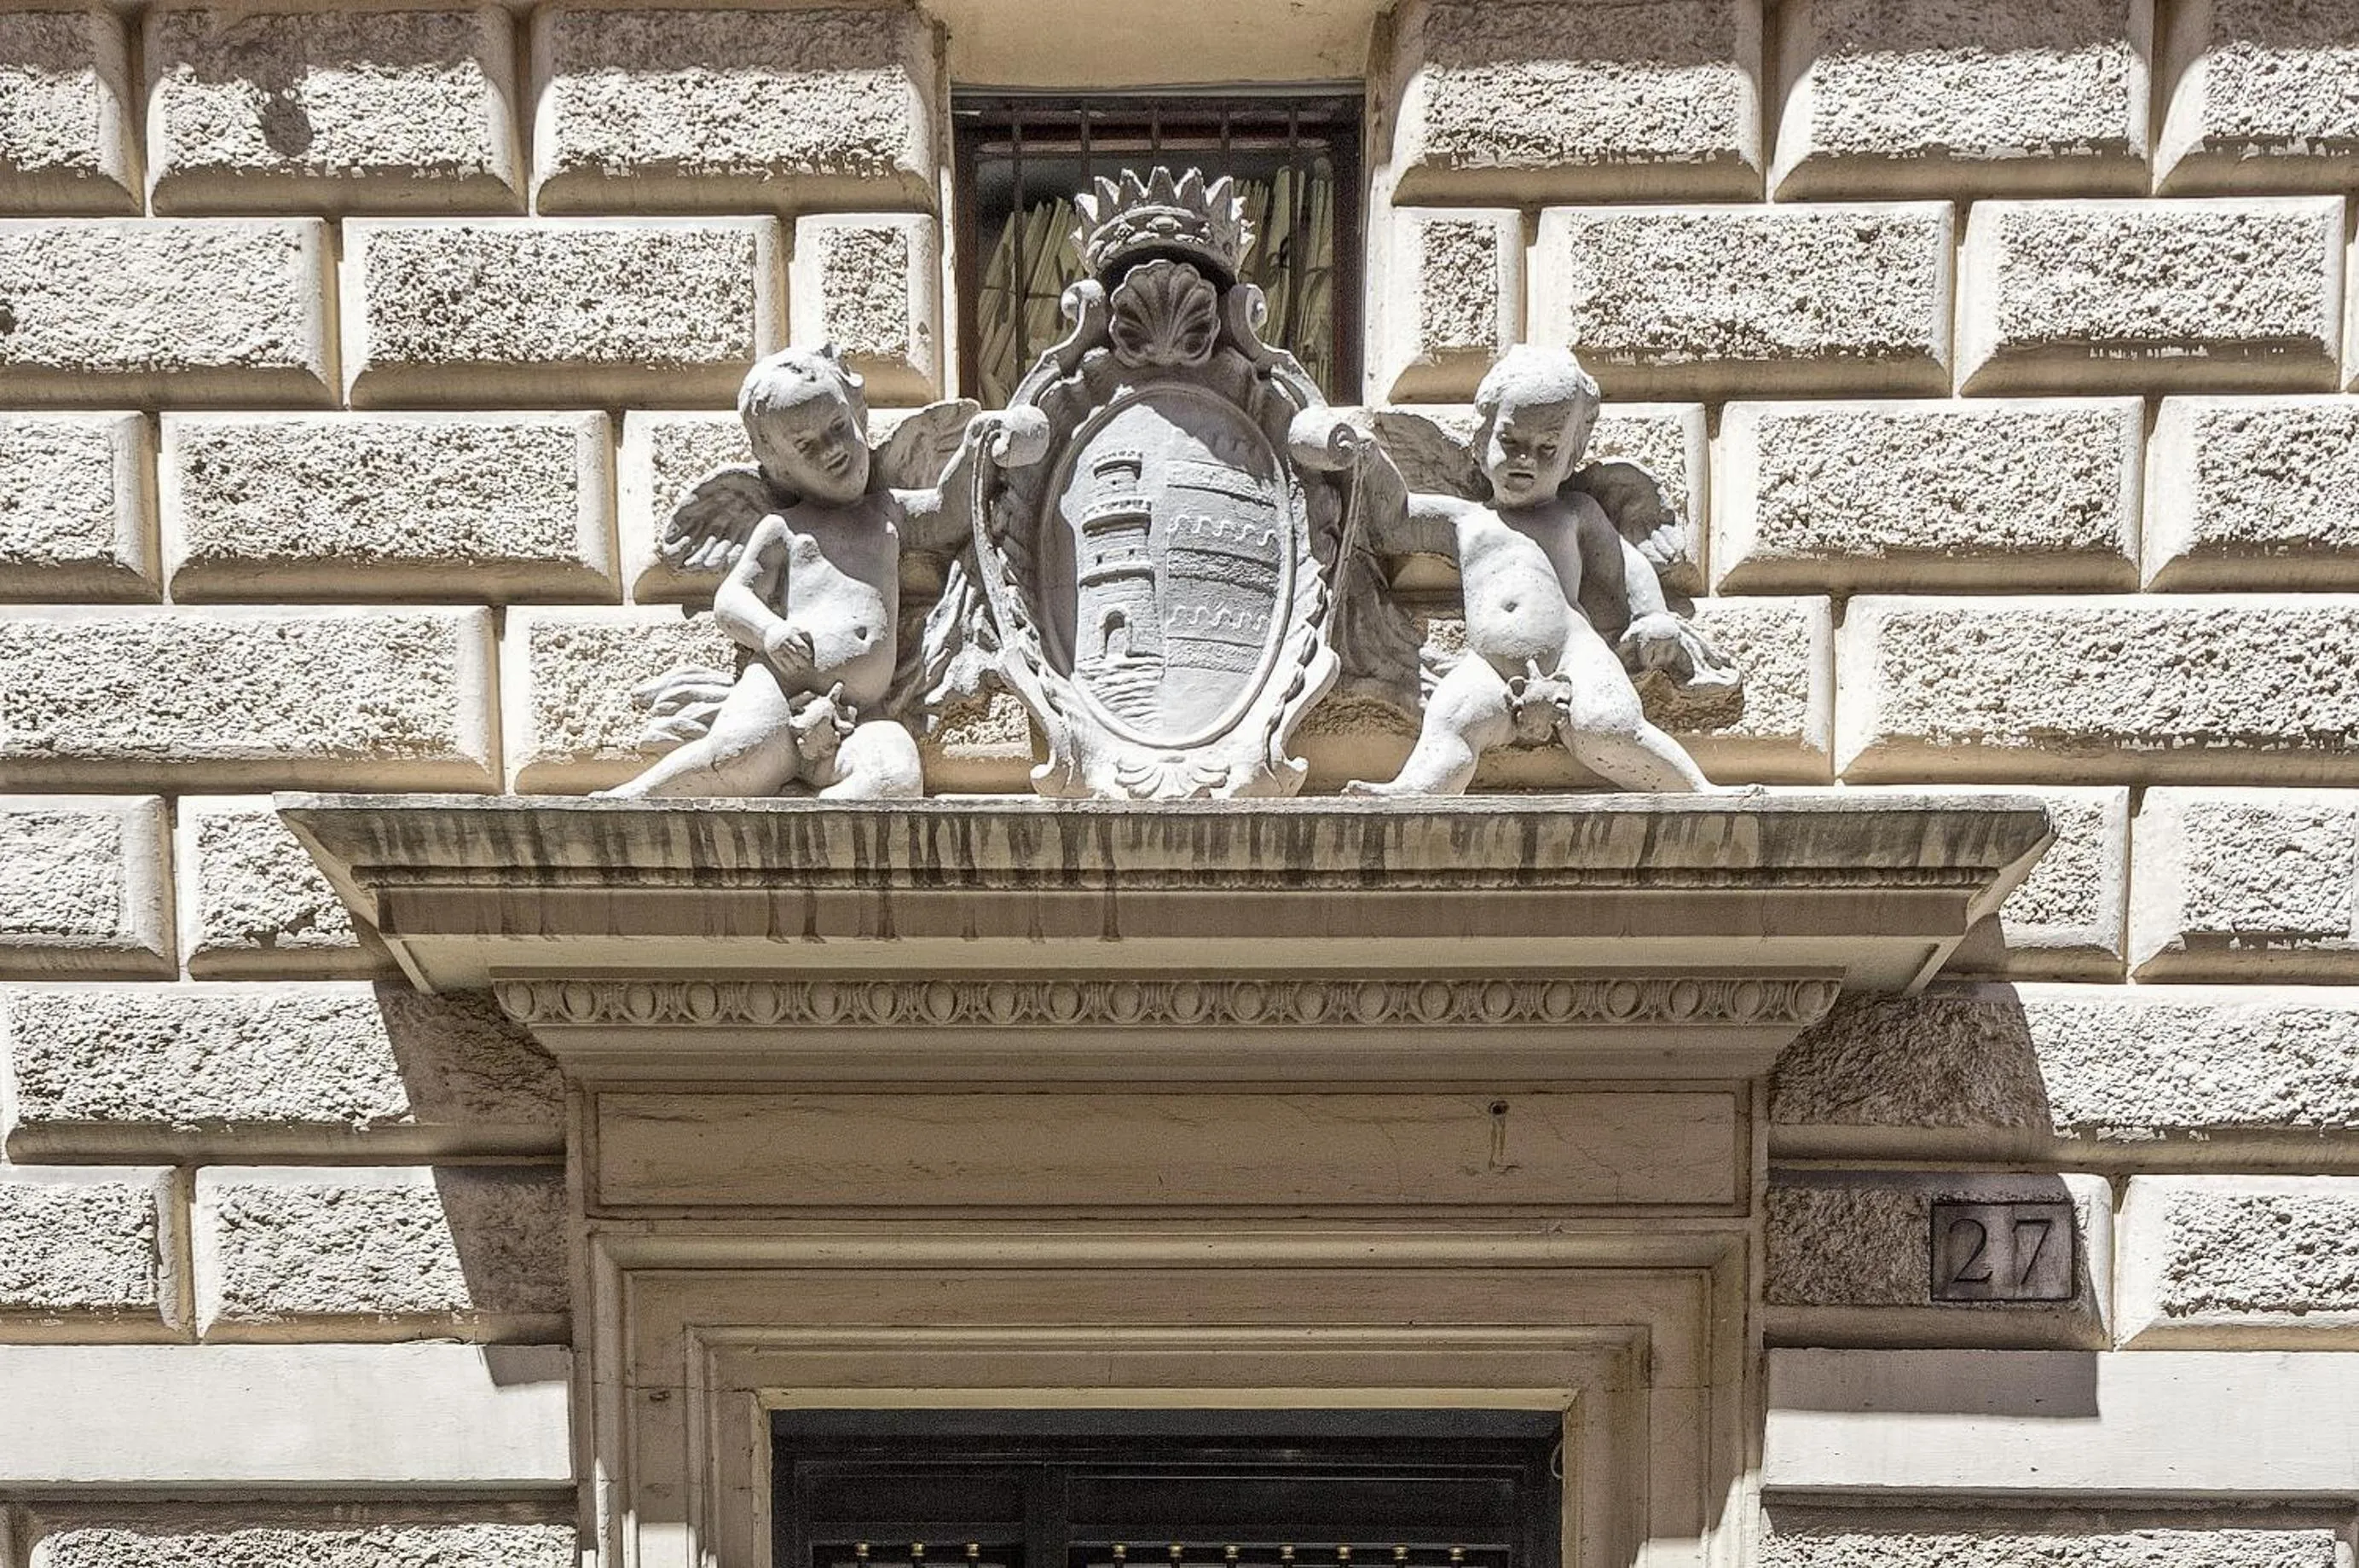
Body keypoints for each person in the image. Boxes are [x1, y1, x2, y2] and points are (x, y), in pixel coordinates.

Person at [1346, 345, 1722, 796]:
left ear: (1570, 457)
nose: (1526, 458)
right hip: (1489, 665)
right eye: (1511, 442)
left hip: (1572, 654)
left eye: (1547, 448)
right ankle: (1412, 792)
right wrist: (1364, 459)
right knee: (1452, 720)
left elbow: (1625, 565)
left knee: (1612, 726)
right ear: (1483, 438)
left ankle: (1699, 791)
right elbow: (1395, 521)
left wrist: (1653, 616)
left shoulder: (1575, 513)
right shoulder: (1465, 519)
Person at [601, 347, 923, 799]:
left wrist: (987, 445)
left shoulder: (889, 514)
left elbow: (951, 507)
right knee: (736, 757)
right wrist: (770, 631)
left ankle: (808, 831)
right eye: (806, 446)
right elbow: (731, 600)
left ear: (858, 412)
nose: (832, 451)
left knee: (895, 777)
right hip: (780, 691)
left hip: (855, 718)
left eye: (838, 427)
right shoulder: (784, 529)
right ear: (779, 465)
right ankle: (636, 798)